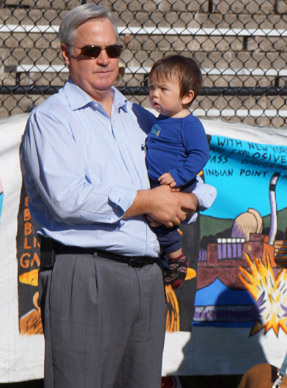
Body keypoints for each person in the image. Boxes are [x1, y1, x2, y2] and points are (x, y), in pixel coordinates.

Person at [19, 4, 214, 388]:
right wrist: (147, 201)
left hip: (145, 276)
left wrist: (191, 201)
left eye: (113, 49)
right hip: (85, 272)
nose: (104, 59)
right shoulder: (52, 118)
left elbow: (187, 185)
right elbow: (67, 198)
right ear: (66, 54)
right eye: (91, 51)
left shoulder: (142, 118)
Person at [146, 55, 210, 289]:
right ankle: (167, 261)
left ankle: (176, 258)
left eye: (163, 89)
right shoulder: (161, 120)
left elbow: (200, 155)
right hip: (158, 185)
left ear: (186, 96)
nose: (154, 93)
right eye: (152, 86)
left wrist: (179, 176)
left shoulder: (188, 125)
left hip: (176, 186)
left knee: (157, 219)